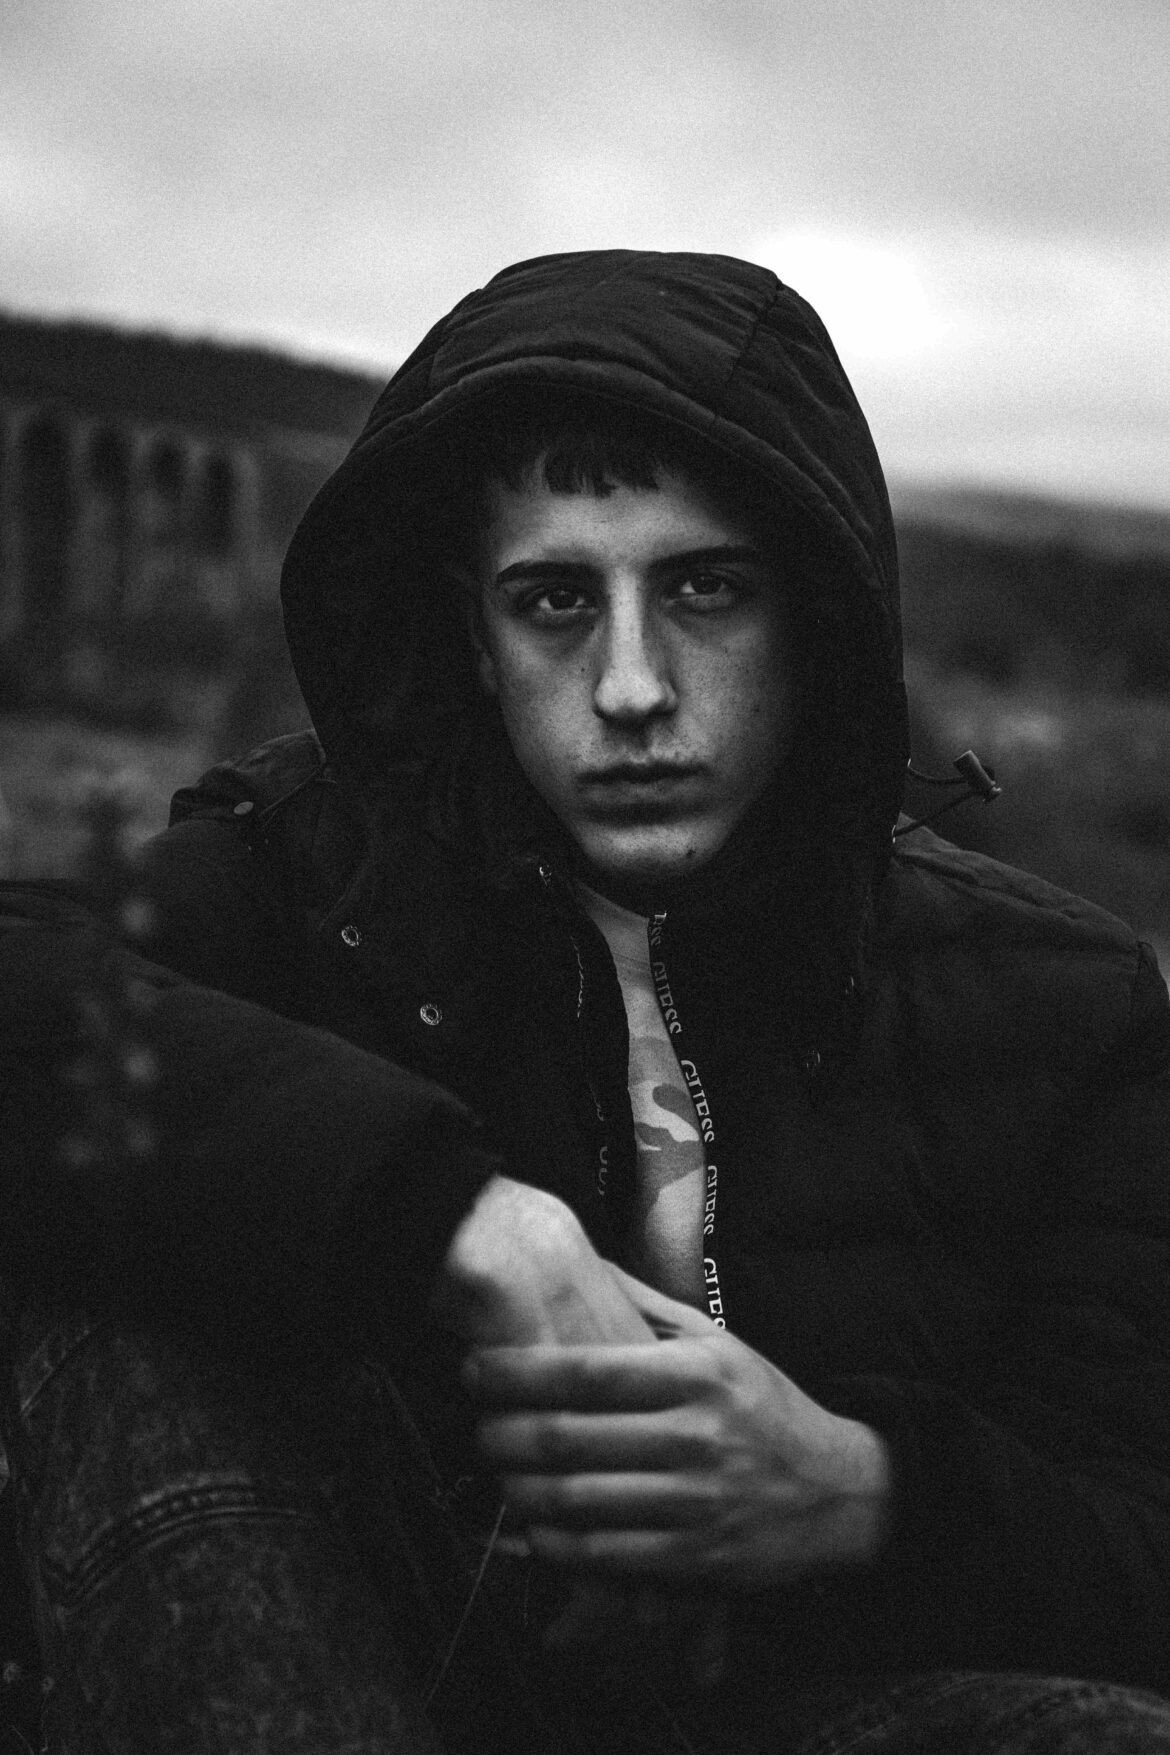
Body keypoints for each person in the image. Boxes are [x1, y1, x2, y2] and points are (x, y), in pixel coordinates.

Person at [2, 249, 1170, 1753]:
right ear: (475, 646)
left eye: (704, 588)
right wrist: (444, 1217)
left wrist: (865, 1496)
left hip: (832, 1705)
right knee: (123, 1231)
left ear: (814, 618)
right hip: (365, 1662)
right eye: (554, 601)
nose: (631, 688)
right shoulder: (307, 876)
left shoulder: (1063, 1005)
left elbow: (1136, 1539)